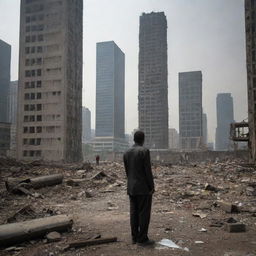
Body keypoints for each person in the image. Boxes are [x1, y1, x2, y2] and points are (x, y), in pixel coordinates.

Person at [123, 130, 155, 246]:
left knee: (134, 212)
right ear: (143, 139)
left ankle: (134, 237)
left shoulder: (126, 152)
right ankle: (142, 238)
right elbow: (148, 171)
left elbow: (127, 171)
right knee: (144, 213)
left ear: (134, 139)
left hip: (131, 187)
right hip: (143, 188)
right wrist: (151, 186)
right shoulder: (144, 151)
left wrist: (131, 183)